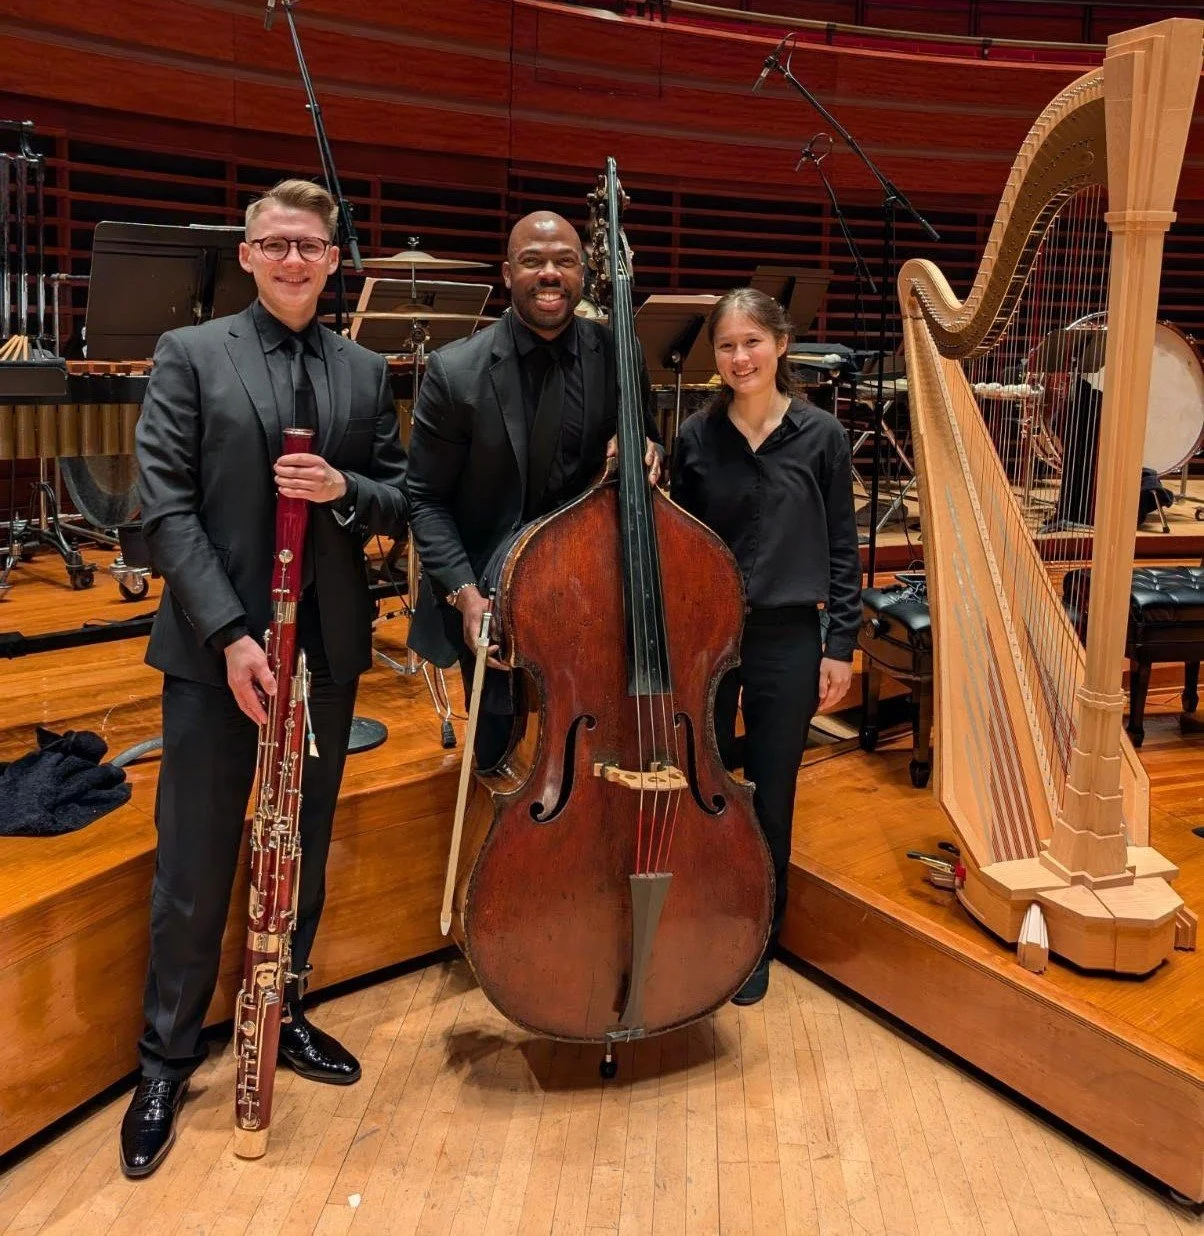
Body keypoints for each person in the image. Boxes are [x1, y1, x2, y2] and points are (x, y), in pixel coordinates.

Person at [121, 179, 408, 1178]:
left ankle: (279, 1012)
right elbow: (163, 504)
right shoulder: (191, 355)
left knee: (302, 848)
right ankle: (163, 1059)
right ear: (247, 255)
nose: (294, 260)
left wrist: (343, 490)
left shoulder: (366, 371)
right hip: (219, 656)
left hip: (323, 651)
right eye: (277, 244)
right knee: (194, 863)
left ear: (334, 261)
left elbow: (396, 497)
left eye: (312, 247)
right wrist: (235, 638)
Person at [406, 210, 662, 769]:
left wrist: (649, 452)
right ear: (507, 272)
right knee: (498, 755)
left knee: (594, 746)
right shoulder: (456, 372)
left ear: (584, 273)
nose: (550, 273)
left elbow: (652, 442)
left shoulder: (620, 354)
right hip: (492, 594)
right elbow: (424, 498)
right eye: (533, 261)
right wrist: (466, 596)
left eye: (565, 261)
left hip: (592, 588)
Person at [670, 287, 861, 1006]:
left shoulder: (822, 436)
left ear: (781, 345)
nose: (740, 357)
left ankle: (757, 938)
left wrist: (839, 644)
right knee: (708, 785)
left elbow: (844, 547)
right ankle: (705, 920)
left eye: (753, 342)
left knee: (773, 794)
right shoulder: (695, 437)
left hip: (789, 636)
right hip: (710, 638)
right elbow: (679, 545)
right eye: (726, 346)